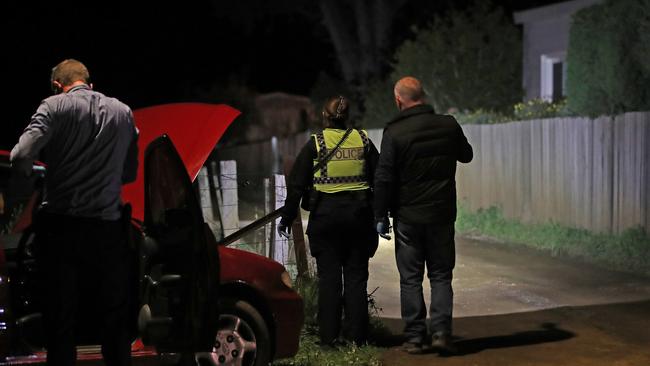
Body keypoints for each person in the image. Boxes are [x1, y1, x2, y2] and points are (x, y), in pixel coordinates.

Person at [11, 59, 138, 366]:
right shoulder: (123, 113)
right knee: (114, 323)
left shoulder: (54, 107)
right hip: (107, 232)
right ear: (89, 82)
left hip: (62, 232)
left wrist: (30, 179)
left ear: (58, 85)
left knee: (60, 322)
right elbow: (129, 174)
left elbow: (20, 155)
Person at [374, 76, 473, 355]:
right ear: (423, 96)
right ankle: (441, 332)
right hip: (441, 214)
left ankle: (415, 338)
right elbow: (466, 155)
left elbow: (384, 178)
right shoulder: (448, 125)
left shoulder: (394, 133)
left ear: (398, 100)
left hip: (408, 217)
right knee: (441, 275)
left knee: (411, 278)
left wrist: (380, 214)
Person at [278, 96, 379, 348]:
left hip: (326, 220)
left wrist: (287, 218)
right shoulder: (363, 140)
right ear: (347, 118)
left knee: (329, 281)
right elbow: (380, 178)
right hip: (359, 220)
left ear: (325, 116)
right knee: (356, 279)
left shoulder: (316, 144)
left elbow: (297, 184)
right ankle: (358, 338)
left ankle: (329, 339)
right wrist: (381, 214)